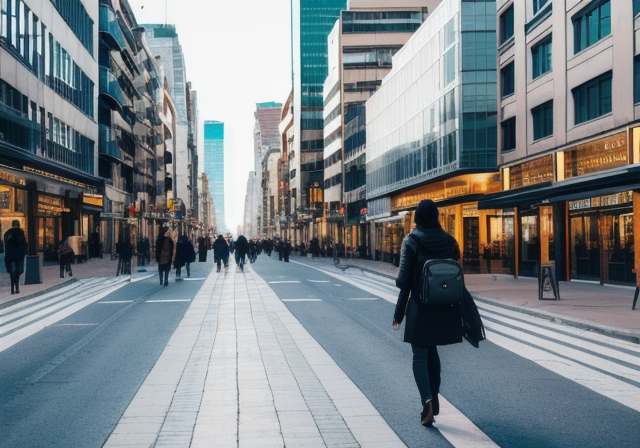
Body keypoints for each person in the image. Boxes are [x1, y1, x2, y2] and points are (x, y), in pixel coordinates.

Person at [392, 199, 462, 427]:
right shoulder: (450, 241)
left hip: (420, 307)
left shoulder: (411, 241)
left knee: (420, 355)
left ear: (417, 217)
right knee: (433, 353)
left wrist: (399, 313)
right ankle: (435, 397)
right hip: (444, 307)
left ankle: (427, 401)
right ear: (437, 216)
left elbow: (405, 282)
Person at [3, 220, 27, 295]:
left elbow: (5, 245)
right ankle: (17, 287)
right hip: (18, 255)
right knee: (18, 271)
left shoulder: (7, 233)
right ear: (18, 225)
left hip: (10, 255)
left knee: (11, 273)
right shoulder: (20, 232)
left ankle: (12, 288)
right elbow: (23, 244)